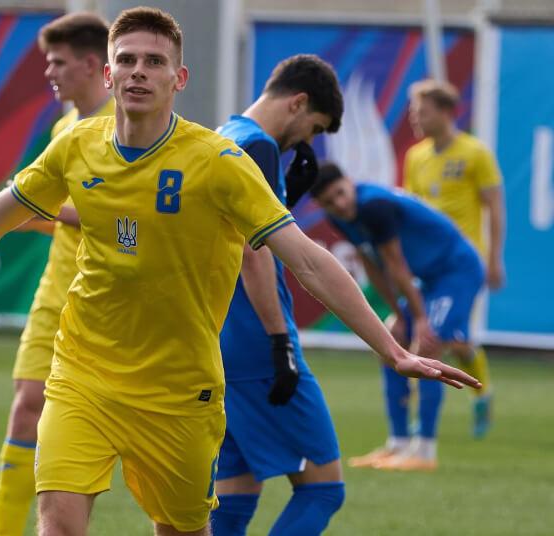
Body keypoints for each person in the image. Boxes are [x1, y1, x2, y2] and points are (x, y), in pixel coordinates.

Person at [0, 8, 479, 535]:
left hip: (179, 390)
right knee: (59, 521)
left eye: (154, 61)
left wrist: (392, 349)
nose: (139, 71)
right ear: (108, 75)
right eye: (127, 60)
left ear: (178, 79)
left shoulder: (220, 162)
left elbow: (306, 258)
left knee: (182, 528)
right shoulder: (75, 145)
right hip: (83, 373)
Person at [0, 12, 114, 536]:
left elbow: (117, 216)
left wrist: (28, 208)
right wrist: (19, 217)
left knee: (118, 435)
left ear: (90, 64)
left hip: (109, 302)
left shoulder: (125, 127)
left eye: (58, 62)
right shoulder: (64, 128)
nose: (49, 72)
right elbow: (65, 215)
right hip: (55, 292)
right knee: (25, 407)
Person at [211, 55, 345, 536]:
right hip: (257, 340)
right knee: (323, 489)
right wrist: (279, 342)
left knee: (232, 496)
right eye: (315, 127)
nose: (309, 139)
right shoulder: (260, 146)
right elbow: (254, 252)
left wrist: (286, 197)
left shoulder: (224, 135)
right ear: (298, 103)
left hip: (219, 338)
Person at [311, 162, 485, 472]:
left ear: (349, 181)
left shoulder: (374, 206)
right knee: (391, 339)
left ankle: (425, 451)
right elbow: (373, 265)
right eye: (330, 202)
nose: (340, 203)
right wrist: (398, 315)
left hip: (457, 271)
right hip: (429, 280)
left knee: (428, 344)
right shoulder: (340, 217)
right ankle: (399, 443)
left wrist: (419, 319)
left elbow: (396, 265)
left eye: (340, 193)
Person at [405, 78, 505, 438]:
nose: (415, 118)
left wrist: (494, 258)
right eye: (414, 111)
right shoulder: (415, 157)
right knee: (452, 341)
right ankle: (482, 393)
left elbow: (495, 206)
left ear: (447, 112)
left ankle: (422, 425)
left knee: (432, 340)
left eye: (423, 111)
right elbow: (411, 212)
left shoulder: (475, 154)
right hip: (427, 266)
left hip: (464, 266)